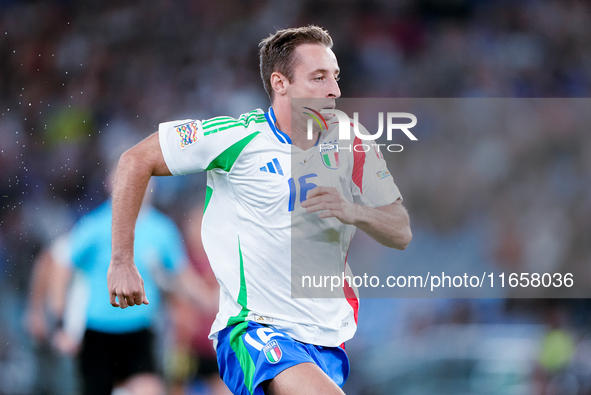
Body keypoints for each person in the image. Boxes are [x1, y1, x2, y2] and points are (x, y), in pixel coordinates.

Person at [108, 25, 412, 395]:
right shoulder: (237, 138)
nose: (334, 90)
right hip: (254, 329)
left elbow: (400, 230)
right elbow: (135, 160)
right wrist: (122, 260)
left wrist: (354, 211)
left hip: (327, 338)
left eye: (335, 77)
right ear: (280, 83)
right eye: (318, 78)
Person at [31, 173, 215, 395]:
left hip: (140, 329)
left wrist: (211, 301)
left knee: (150, 389)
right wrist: (58, 320)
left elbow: (182, 276)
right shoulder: (95, 225)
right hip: (98, 331)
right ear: (112, 186)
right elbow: (59, 261)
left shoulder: (161, 230)